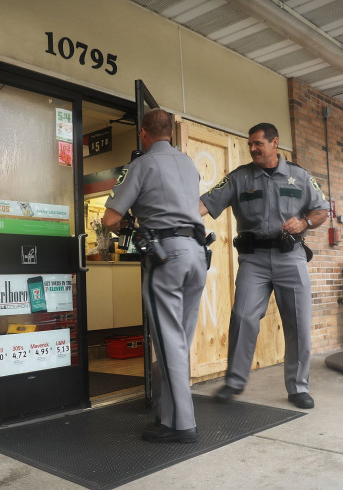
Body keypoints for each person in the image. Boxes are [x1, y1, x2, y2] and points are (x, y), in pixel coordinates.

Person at [198, 122, 328, 409]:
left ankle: (298, 387)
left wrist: (304, 222)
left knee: (297, 324)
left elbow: (322, 210)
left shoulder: (300, 176)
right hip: (253, 258)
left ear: (275, 143)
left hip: (290, 255)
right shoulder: (239, 178)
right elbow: (204, 204)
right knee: (242, 316)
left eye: (258, 143)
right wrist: (175, 218)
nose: (253, 148)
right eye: (250, 145)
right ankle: (234, 382)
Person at [103, 108, 207, 443]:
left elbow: (109, 219)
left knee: (168, 343)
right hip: (197, 255)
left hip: (166, 257)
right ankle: (168, 411)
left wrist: (127, 221)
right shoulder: (189, 165)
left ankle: (180, 425)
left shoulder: (141, 165)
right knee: (179, 341)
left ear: (144, 134)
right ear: (171, 134)